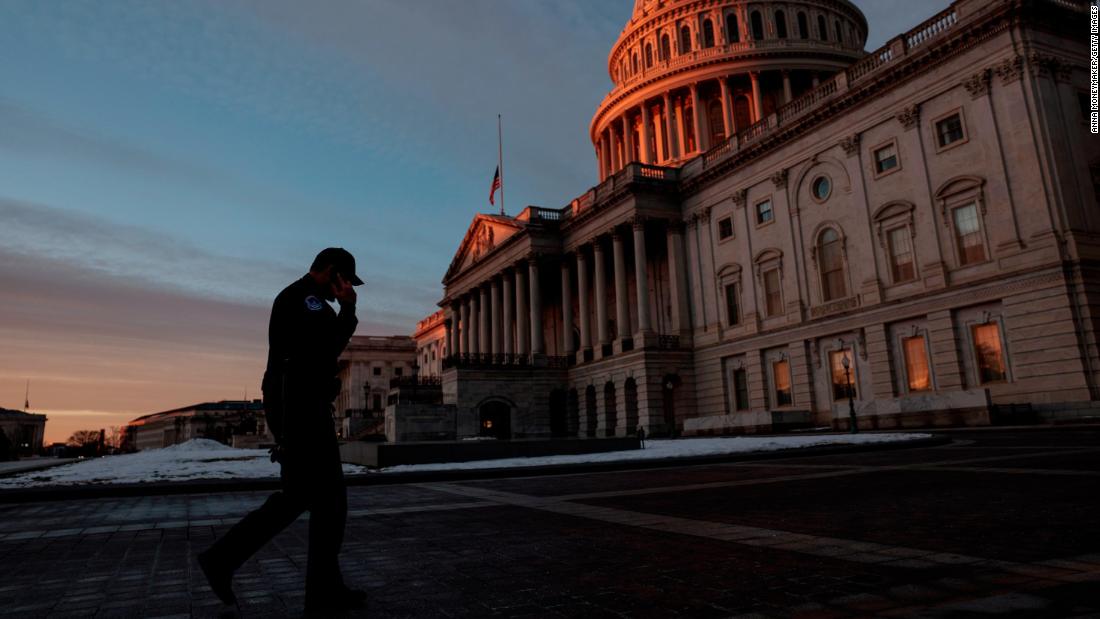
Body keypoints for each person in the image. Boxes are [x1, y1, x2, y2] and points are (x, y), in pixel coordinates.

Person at [198, 248, 366, 614]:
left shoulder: (304, 300)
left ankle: (324, 591)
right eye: (346, 281)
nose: (347, 288)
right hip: (300, 410)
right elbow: (325, 350)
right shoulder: (306, 301)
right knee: (307, 499)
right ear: (333, 273)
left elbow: (318, 357)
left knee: (325, 503)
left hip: (301, 407)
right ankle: (222, 560)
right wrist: (348, 310)